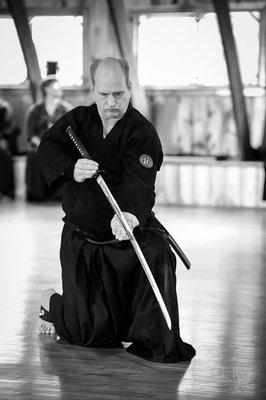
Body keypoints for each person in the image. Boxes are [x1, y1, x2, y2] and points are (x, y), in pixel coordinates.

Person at [37, 57, 196, 363]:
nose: (111, 102)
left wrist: (130, 215)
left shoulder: (141, 132)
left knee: (158, 255)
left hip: (126, 228)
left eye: (119, 94)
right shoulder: (76, 122)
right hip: (83, 238)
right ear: (93, 91)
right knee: (86, 334)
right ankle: (53, 304)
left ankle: (153, 338)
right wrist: (71, 169)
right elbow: (47, 147)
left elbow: (141, 181)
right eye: (104, 94)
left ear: (129, 89)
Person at [25, 77, 72, 201]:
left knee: (62, 156)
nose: (59, 88)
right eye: (56, 86)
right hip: (39, 144)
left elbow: (72, 131)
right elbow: (31, 133)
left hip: (61, 145)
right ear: (46, 89)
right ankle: (38, 193)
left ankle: (60, 194)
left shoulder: (66, 108)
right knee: (35, 155)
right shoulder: (35, 109)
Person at [0, 98, 15, 199]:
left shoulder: (3, 107)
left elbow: (7, 127)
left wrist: (2, 138)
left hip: (0, 138)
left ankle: (2, 190)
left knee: (4, 156)